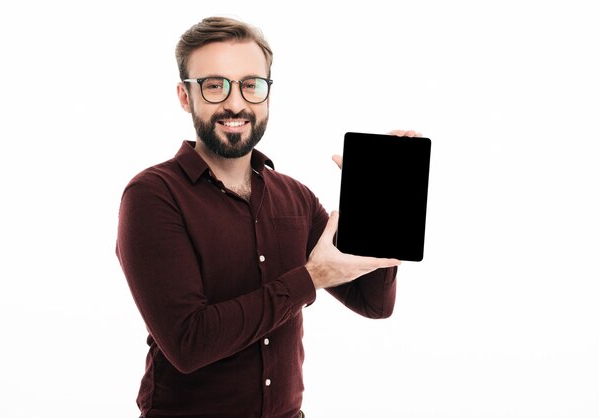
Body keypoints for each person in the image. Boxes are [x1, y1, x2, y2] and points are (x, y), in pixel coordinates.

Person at [116, 16, 420, 418]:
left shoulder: (294, 196)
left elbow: (374, 304)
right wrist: (310, 279)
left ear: (267, 94)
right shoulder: (152, 196)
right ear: (185, 97)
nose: (236, 103)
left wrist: (381, 205)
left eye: (250, 85)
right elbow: (188, 343)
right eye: (214, 85)